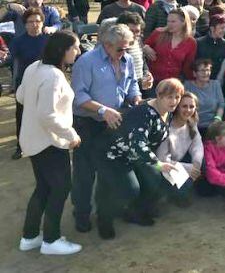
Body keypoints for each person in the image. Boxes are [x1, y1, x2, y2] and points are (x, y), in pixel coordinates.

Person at [70, 24, 141, 233]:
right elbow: (79, 96)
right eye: (120, 49)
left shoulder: (126, 59)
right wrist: (103, 111)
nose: (124, 53)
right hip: (89, 124)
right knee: (85, 172)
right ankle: (81, 213)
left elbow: (132, 84)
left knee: (109, 170)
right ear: (106, 45)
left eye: (127, 48)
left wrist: (135, 98)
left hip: (115, 123)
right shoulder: (86, 62)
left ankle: (107, 210)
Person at [17, 31, 83, 255]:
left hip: (33, 138)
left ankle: (30, 236)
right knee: (60, 187)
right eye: (74, 47)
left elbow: (20, 96)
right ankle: (51, 240)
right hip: (49, 142)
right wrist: (71, 135)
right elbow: (48, 114)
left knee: (44, 187)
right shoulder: (53, 76)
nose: (78, 51)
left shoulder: (34, 67)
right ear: (62, 50)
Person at [94, 78, 182, 239]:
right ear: (159, 96)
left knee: (154, 180)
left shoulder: (167, 113)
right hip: (113, 154)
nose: (174, 101)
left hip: (136, 156)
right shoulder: (144, 112)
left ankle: (132, 212)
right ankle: (104, 217)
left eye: (177, 97)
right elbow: (137, 143)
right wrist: (158, 164)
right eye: (169, 97)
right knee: (129, 189)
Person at [9, 8, 50, 160]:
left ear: (42, 23)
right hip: (25, 83)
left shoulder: (48, 40)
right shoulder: (18, 41)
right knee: (21, 115)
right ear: (25, 24)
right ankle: (20, 146)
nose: (34, 24)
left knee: (46, 112)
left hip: (46, 83)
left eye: (37, 21)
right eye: (30, 22)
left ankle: (46, 142)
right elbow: (10, 59)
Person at [154, 92, 203, 206]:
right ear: (177, 107)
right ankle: (168, 193)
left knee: (203, 163)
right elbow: (162, 159)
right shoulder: (166, 127)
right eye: (184, 106)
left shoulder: (192, 122)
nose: (188, 110)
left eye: (191, 106)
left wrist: (196, 163)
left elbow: (197, 145)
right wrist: (188, 168)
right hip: (162, 165)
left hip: (179, 160)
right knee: (183, 191)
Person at [143, 9, 196, 83]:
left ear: (183, 22)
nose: (169, 24)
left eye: (173, 21)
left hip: (173, 83)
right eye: (168, 21)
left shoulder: (191, 42)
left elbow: (188, 67)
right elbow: (141, 45)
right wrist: (145, 47)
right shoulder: (158, 33)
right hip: (153, 81)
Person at [183, 59, 225, 136]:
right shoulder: (187, 85)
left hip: (212, 124)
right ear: (194, 73)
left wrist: (217, 119)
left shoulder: (215, 84)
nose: (206, 73)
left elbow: (221, 105)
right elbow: (183, 107)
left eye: (208, 70)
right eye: (202, 70)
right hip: (192, 124)